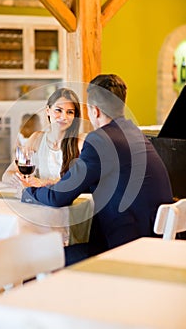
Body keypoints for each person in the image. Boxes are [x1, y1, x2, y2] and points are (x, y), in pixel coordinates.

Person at [19, 74, 173, 266]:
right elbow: (106, 180)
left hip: (126, 250)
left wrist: (28, 192)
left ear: (96, 111)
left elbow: (58, 198)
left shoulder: (100, 139)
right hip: (151, 242)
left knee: (33, 263)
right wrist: (58, 184)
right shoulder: (133, 132)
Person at [2, 87, 85, 187]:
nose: (64, 117)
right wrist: (15, 177)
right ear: (48, 111)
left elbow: (82, 181)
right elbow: (7, 175)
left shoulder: (81, 143)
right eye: (58, 110)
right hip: (41, 201)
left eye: (70, 112)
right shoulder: (36, 139)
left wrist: (44, 183)